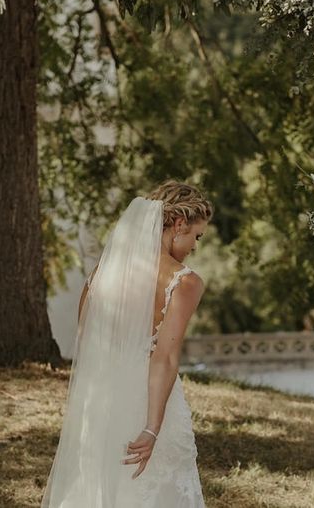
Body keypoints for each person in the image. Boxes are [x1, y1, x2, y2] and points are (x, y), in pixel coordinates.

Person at [41, 179, 213, 507]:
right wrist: (151, 428)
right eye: (196, 236)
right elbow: (164, 358)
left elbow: (85, 336)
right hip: (147, 399)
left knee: (101, 485)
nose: (194, 246)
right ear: (178, 225)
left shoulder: (102, 274)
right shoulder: (185, 281)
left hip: (101, 398)